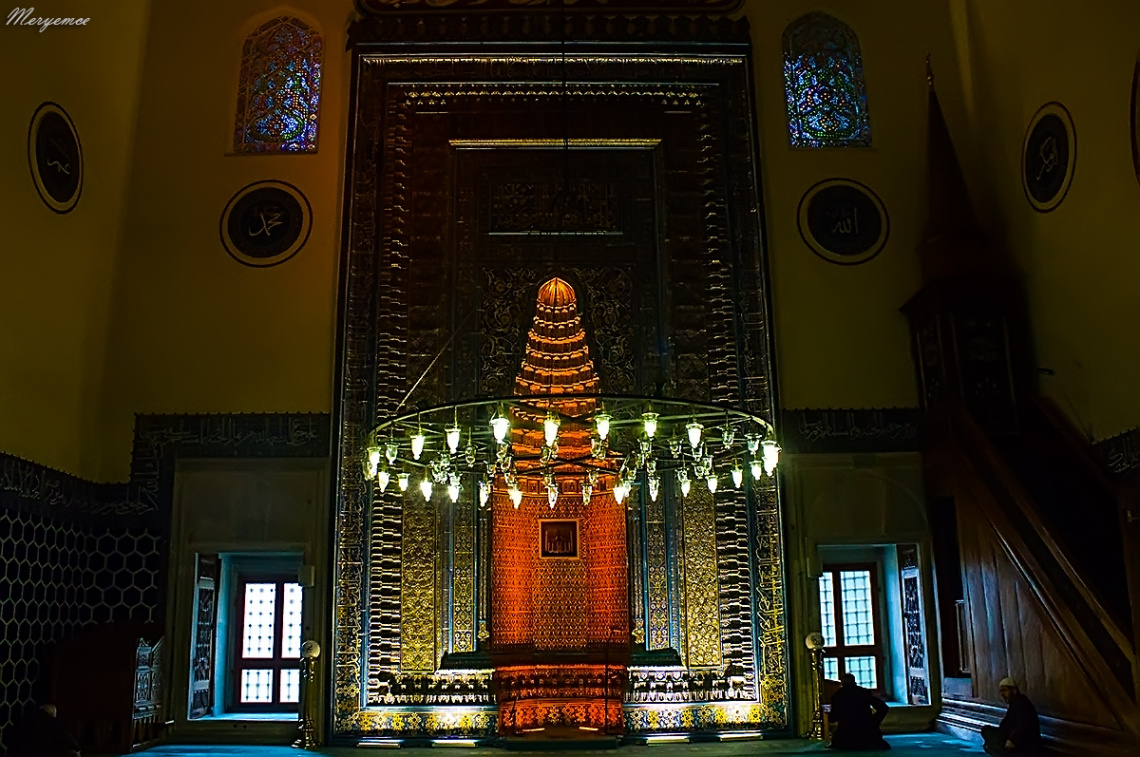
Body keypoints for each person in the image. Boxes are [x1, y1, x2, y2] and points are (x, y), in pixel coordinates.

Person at [828, 672, 890, 751]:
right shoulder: (864, 693)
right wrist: (873, 722)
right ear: (854, 681)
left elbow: (833, 718)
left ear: (842, 682)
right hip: (867, 734)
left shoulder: (838, 696)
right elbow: (883, 708)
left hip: (846, 736)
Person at [982, 677, 1042, 755]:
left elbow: (1023, 724)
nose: (1002, 694)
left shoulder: (1021, 703)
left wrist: (1012, 739)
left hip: (1025, 742)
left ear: (1014, 690)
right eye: (1001, 691)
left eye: (1005, 690)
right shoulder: (1014, 703)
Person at [3, 702, 82, 757]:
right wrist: (77, 749)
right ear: (51, 714)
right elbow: (67, 738)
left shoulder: (25, 719)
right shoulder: (51, 722)